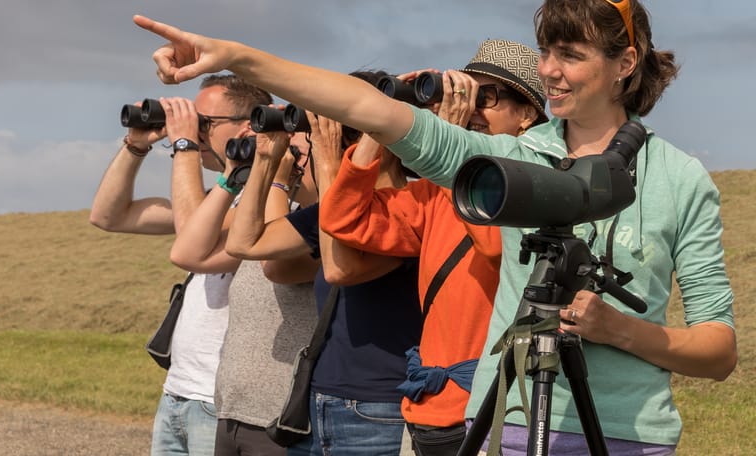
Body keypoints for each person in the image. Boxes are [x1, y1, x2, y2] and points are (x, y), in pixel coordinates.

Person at [132, 1, 738, 453]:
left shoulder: (679, 180)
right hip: (507, 423)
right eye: (545, 53)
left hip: (630, 433)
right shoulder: (510, 159)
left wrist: (619, 330)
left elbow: (719, 350)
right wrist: (238, 57)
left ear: (624, 63)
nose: (550, 71)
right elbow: (372, 109)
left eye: (570, 56)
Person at [318, 40, 546, 456]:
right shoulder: (432, 195)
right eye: (465, 95)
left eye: (487, 97)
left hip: (489, 409)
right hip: (426, 405)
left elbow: (495, 244)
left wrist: (452, 144)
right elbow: (344, 219)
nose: (472, 108)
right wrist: (380, 120)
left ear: (527, 115)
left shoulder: (539, 189)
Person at [223, 77, 424, 454]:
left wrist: (331, 163)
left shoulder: (413, 208)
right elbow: (243, 242)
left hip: (382, 407)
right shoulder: (329, 210)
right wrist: (267, 162)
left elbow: (339, 268)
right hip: (319, 401)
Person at [90, 74, 275, 455]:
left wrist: (185, 145)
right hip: (178, 392)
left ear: (250, 124)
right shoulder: (219, 199)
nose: (197, 131)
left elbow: (192, 240)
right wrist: (136, 146)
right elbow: (109, 216)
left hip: (221, 402)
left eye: (206, 123)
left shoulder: (274, 203)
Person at [168, 122, 320, 456]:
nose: (290, 161)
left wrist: (276, 178)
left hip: (283, 417)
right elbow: (187, 252)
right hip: (233, 408)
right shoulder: (267, 213)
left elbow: (274, 265)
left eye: (297, 154)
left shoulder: (320, 222)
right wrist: (234, 175)